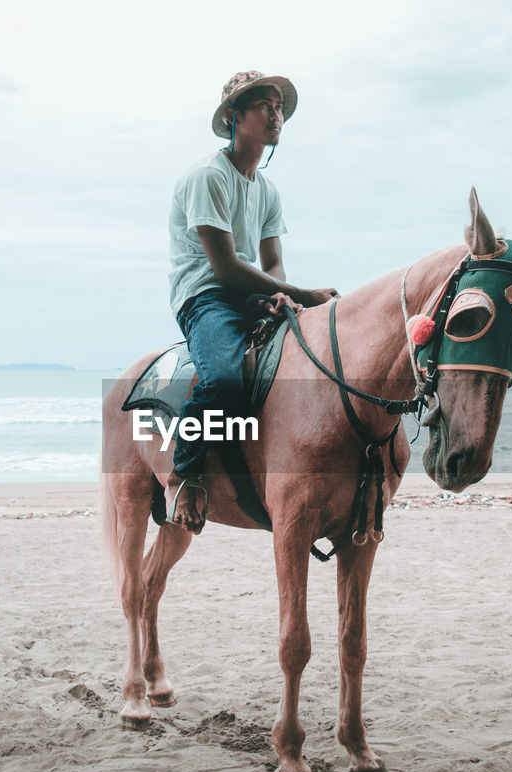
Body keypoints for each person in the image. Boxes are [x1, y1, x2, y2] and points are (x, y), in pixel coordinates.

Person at [165, 70, 338, 533]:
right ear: (235, 116)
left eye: (278, 106)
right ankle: (184, 473)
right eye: (264, 104)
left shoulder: (267, 190)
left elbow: (273, 261)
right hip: (207, 296)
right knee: (222, 379)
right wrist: (302, 296)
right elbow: (223, 268)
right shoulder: (208, 176)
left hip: (251, 295)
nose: (275, 113)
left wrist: (278, 293)